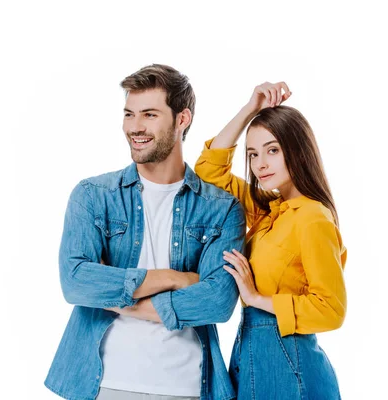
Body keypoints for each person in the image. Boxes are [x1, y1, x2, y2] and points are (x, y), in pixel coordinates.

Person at [44, 64, 246, 400]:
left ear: (183, 119)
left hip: (187, 388)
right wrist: (174, 277)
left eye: (149, 114)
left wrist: (119, 299)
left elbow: (217, 301)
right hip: (102, 384)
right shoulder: (93, 195)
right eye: (129, 114)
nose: (135, 127)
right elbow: (76, 280)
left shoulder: (222, 209)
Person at [195, 82, 347, 399]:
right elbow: (209, 173)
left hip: (289, 365)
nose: (260, 163)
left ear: (298, 151)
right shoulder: (268, 210)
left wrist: (255, 298)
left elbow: (331, 310)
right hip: (252, 355)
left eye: (273, 150)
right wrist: (251, 108)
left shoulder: (312, 217)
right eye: (253, 154)